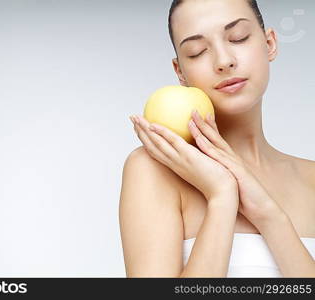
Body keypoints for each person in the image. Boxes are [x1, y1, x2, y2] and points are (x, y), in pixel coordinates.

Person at [119, 0, 315, 277]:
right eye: (197, 52)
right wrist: (222, 197)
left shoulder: (312, 179)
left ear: (269, 43)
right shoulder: (155, 171)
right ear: (180, 72)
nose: (224, 61)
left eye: (238, 37)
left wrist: (269, 216)